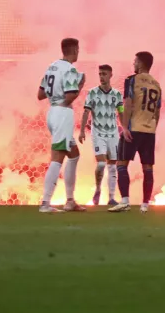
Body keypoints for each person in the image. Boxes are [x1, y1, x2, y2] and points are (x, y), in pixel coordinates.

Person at [37, 38, 87, 213]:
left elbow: (40, 94)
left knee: (73, 155)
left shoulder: (51, 66)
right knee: (57, 157)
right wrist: (80, 85)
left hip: (52, 112)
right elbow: (71, 95)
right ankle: (45, 203)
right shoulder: (70, 69)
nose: (78, 52)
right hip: (62, 114)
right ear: (73, 50)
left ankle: (70, 201)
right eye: (78, 49)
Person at [109, 52, 159, 213]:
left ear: (141, 64)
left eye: (135, 61)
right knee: (148, 167)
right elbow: (157, 112)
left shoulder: (132, 80)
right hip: (149, 131)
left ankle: (125, 201)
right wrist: (152, 128)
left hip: (133, 128)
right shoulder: (157, 85)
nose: (133, 64)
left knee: (121, 164)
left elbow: (128, 103)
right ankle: (145, 204)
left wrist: (124, 127)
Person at [79, 64, 124, 207]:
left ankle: (111, 197)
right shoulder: (92, 93)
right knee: (101, 163)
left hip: (113, 133)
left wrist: (125, 129)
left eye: (104, 74)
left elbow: (121, 112)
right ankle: (98, 189)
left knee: (112, 166)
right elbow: (86, 111)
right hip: (98, 132)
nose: (101, 77)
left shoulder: (117, 95)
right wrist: (81, 131)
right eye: (100, 74)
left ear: (111, 75)